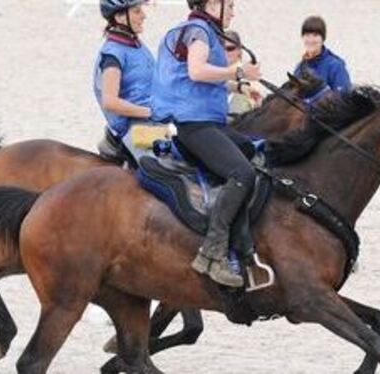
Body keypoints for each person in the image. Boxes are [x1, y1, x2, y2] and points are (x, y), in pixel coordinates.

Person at [152, 0, 262, 288]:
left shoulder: (204, 31)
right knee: (243, 173)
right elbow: (197, 71)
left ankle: (240, 238)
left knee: (251, 149)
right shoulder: (199, 30)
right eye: (230, 5)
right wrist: (239, 72)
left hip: (207, 121)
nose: (233, 11)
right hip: (195, 124)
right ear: (213, 3)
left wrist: (237, 87)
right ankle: (212, 252)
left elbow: (200, 81)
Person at [94, 0, 159, 166]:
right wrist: (150, 112)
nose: (143, 16)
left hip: (153, 118)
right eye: (137, 11)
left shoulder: (135, 45)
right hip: (136, 126)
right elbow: (110, 102)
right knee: (168, 175)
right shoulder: (113, 54)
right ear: (120, 17)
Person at [293, 15, 352, 93]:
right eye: (307, 35)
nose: (311, 40)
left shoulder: (335, 66)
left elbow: (344, 100)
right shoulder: (299, 68)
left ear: (323, 38)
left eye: (315, 35)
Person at [224, 30, 263, 120]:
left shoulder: (251, 79)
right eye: (220, 48)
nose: (224, 52)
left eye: (229, 48)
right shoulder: (211, 75)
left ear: (240, 51)